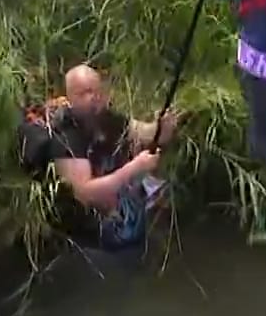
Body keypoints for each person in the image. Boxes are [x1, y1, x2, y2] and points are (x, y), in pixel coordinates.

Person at [20, 64, 181, 250]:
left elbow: (148, 134)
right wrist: (134, 167)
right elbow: (85, 194)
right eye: (85, 93)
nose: (94, 97)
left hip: (118, 206)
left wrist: (163, 127)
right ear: (70, 98)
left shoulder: (107, 118)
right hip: (88, 230)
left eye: (96, 91)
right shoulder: (66, 138)